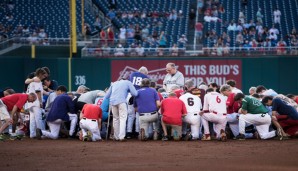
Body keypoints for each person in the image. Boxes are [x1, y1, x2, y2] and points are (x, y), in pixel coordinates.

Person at [26, 68, 48, 138]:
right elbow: (38, 92)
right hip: (35, 102)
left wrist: (48, 93)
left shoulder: (33, 80)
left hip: (30, 103)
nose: (44, 77)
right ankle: (42, 133)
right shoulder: (37, 80)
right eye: (43, 76)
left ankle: (32, 134)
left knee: (32, 119)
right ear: (40, 74)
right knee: (38, 118)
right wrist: (41, 102)